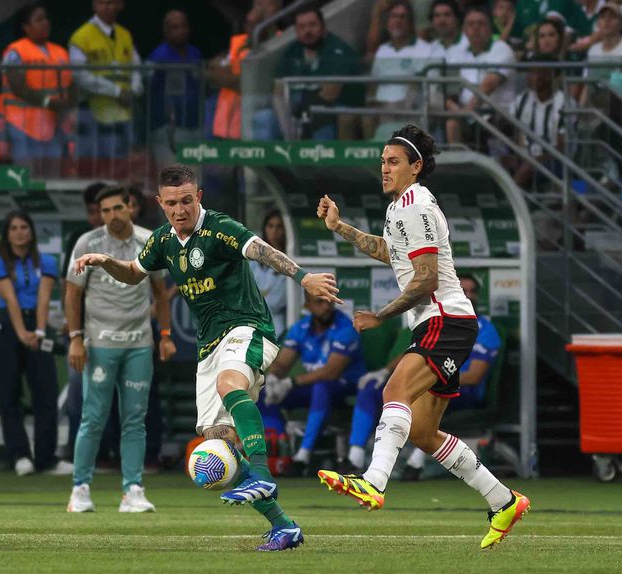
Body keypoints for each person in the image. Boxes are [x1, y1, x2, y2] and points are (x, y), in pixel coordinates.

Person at [73, 163, 341, 551]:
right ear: (160, 204)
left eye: (186, 200)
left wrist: (304, 278)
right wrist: (104, 261)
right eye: (171, 204)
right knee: (219, 447)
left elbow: (263, 251)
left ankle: (262, 474)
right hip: (209, 345)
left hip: (248, 328)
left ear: (198, 197)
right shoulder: (163, 241)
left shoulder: (219, 228)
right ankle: (283, 526)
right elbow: (134, 272)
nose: (179, 210)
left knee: (230, 384)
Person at [315, 125, 530, 549]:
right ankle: (503, 501)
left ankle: (374, 481)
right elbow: (390, 251)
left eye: (393, 161)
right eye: (382, 161)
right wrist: (340, 227)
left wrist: (380, 315)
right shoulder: (400, 206)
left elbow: (427, 279)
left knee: (393, 390)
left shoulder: (416, 205)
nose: (385, 168)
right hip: (439, 323)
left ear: (416, 167)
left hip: (445, 319)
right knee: (423, 432)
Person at [66, 187, 175, 513]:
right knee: (93, 417)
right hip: (100, 343)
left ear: (130, 207)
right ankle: (80, 489)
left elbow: (160, 291)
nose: (111, 216)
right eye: (105, 211)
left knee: (135, 419)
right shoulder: (87, 243)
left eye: (117, 208)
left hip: (139, 343)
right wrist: (75, 338)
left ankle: (133, 490)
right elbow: (72, 293)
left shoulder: (149, 240)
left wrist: (165, 335)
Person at [0, 210, 72, 476]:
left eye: (24, 227)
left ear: (32, 231)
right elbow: (10, 299)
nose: (19, 232)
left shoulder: (46, 261)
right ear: (7, 234)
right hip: (8, 326)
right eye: (13, 228)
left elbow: (44, 297)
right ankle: (20, 455)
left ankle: (46, 458)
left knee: (46, 393)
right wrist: (22, 333)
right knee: (9, 395)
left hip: (37, 324)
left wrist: (38, 330)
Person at [401, 273, 502, 480]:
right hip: (436, 385)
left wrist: (433, 377)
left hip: (467, 392)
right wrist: (386, 373)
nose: (469, 296)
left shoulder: (485, 329)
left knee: (429, 393)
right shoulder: (438, 324)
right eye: (464, 291)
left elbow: (474, 377)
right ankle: (360, 459)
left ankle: (415, 461)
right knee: (383, 391)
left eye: (473, 292)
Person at [260, 293, 373, 477]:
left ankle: (302, 456)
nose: (326, 307)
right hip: (313, 387)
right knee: (261, 393)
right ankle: (278, 446)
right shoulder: (301, 327)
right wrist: (273, 378)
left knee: (322, 386)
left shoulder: (346, 327)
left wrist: (289, 382)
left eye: (329, 302)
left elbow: (331, 372)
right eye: (319, 302)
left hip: (345, 388)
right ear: (307, 305)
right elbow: (281, 363)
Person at [256, 6, 363, 140]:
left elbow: (329, 94)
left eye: (312, 25)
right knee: (264, 117)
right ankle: (268, 154)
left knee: (319, 118)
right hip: (296, 111)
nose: (307, 31)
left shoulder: (338, 50)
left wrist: (299, 111)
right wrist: (287, 127)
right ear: (296, 30)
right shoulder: (292, 52)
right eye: (302, 27)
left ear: (323, 27)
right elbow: (278, 92)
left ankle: (321, 154)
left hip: (329, 110)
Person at [61, 182, 106, 461]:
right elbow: (68, 288)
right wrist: (73, 330)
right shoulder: (80, 239)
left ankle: (108, 454)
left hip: (119, 329)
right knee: (78, 395)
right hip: (84, 329)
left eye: (99, 211)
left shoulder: (126, 239)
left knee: (116, 398)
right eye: (91, 212)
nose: (96, 218)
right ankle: (75, 452)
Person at [69, 0, 144, 159]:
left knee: (122, 165)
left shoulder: (125, 34)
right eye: (101, 3)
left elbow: (136, 67)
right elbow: (80, 75)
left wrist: (134, 90)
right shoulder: (81, 36)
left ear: (119, 5)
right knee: (94, 164)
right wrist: (117, 92)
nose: (106, 7)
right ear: (94, 5)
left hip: (123, 113)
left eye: (110, 2)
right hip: (93, 112)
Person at [2, 3, 74, 166]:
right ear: (26, 27)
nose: (45, 23)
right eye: (39, 20)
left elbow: (70, 84)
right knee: (26, 175)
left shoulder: (60, 52)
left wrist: (68, 108)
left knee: (51, 174)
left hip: (52, 124)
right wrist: (48, 102)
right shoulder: (16, 51)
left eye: (46, 19)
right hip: (22, 126)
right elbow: (18, 87)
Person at [445, 7, 516, 144]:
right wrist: (459, 112)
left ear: (490, 29)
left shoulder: (502, 49)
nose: (476, 28)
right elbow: (446, 92)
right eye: (470, 24)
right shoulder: (456, 53)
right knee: (451, 123)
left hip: (497, 117)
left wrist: (467, 113)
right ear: (464, 30)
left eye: (481, 23)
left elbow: (488, 86)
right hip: (467, 116)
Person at [365, 1, 435, 138]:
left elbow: (428, 91)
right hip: (380, 110)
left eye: (403, 17)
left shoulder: (425, 49)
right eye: (394, 16)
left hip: (409, 110)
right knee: (364, 116)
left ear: (411, 23)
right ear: (387, 22)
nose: (398, 21)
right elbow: (373, 85)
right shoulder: (383, 50)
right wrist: (371, 102)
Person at [148, 9, 203, 169]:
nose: (181, 31)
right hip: (168, 127)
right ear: (166, 31)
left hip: (195, 125)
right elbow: (148, 87)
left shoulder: (195, 52)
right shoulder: (158, 56)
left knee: (194, 176)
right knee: (171, 176)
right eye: (175, 27)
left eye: (184, 26)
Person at [507, 53, 570, 188]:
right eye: (530, 72)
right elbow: (515, 132)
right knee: (495, 162)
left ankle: (508, 198)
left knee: (527, 168)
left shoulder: (565, 104)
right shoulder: (522, 99)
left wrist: (534, 160)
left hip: (555, 163)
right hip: (526, 157)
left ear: (551, 75)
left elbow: (562, 149)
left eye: (536, 72)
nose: (530, 77)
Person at [209, 8, 262, 140]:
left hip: (253, 115)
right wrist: (232, 78)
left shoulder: (275, 42)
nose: (251, 28)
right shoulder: (238, 43)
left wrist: (231, 78)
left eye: (256, 23)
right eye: (248, 23)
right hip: (227, 120)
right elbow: (214, 70)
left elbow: (252, 82)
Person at [580, 3, 622, 106]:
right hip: (595, 104)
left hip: (620, 105)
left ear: (621, 24)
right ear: (598, 23)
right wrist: (580, 110)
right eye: (603, 17)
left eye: (612, 17)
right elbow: (587, 86)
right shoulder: (593, 50)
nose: (607, 21)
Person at [250, 210, 288, 338]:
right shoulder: (253, 260)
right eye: (270, 226)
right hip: (253, 325)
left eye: (279, 227)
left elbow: (276, 302)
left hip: (279, 328)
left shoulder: (290, 262)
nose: (274, 231)